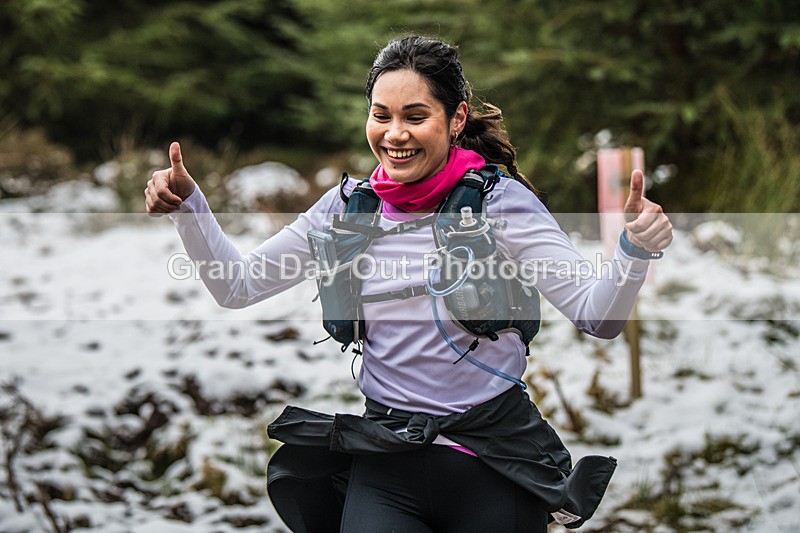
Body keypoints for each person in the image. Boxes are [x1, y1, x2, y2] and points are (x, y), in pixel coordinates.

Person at [145, 35, 672, 532]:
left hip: (493, 462)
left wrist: (634, 249)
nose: (394, 134)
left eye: (415, 116)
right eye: (381, 116)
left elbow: (597, 316)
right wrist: (189, 207)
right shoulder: (346, 209)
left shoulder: (499, 203)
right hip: (386, 458)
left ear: (456, 117)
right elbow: (237, 285)